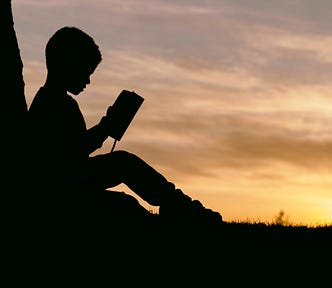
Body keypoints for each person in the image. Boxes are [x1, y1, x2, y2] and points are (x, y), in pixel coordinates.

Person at [27, 26, 222, 226]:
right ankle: (182, 209)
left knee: (123, 169)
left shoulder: (56, 101)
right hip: (61, 190)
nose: (87, 81)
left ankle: (179, 207)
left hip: (69, 183)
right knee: (125, 192)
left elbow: (74, 150)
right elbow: (69, 155)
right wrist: (105, 127)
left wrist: (105, 127)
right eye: (85, 71)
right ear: (67, 65)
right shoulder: (51, 104)